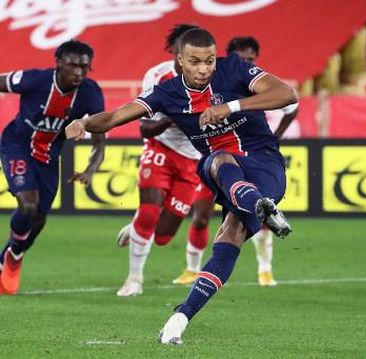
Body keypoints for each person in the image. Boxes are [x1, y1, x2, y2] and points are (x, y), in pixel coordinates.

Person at [65, 28, 297, 344]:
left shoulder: (234, 69)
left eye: (209, 61)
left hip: (265, 164)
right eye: (195, 62)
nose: (204, 69)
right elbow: (118, 116)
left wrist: (230, 107)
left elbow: (287, 94)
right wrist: (84, 123)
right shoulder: (167, 92)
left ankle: (258, 203)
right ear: (180, 61)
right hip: (234, 178)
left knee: (214, 161)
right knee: (228, 235)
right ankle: (180, 318)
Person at [114, 23, 216, 297]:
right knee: (149, 212)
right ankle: (134, 279)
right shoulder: (158, 77)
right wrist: (174, 117)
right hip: (161, 148)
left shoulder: (211, 79)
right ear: (176, 52)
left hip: (193, 159)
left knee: (162, 236)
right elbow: (144, 128)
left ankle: (136, 226)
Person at [0, 40, 106, 295]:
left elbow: (100, 138)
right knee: (28, 204)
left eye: (84, 67)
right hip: (17, 145)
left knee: (38, 219)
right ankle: (13, 256)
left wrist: (92, 168)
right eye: (73, 66)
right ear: (58, 63)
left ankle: (12, 253)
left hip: (49, 158)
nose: (79, 72)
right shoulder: (35, 80)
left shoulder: (91, 93)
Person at [226, 36, 299, 286]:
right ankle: (193, 269)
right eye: (242, 58)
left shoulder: (260, 84)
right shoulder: (221, 84)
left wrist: (276, 136)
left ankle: (265, 270)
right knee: (205, 214)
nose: (247, 63)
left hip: (255, 155)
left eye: (251, 59)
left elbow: (291, 106)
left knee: (261, 209)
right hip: (224, 156)